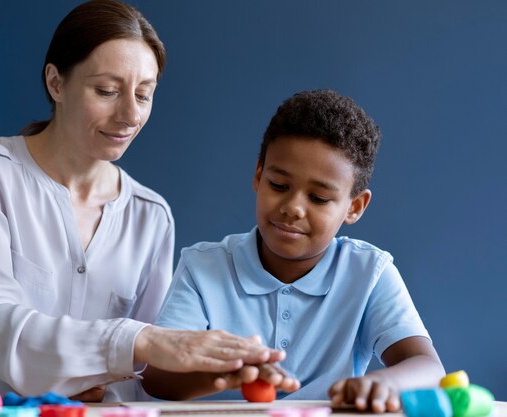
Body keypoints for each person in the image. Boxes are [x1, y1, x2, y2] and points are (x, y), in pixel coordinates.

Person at [0, 0, 284, 402]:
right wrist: (134, 342)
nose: (130, 114)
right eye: (107, 91)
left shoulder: (151, 216)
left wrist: (220, 367)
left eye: (144, 95)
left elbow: (142, 375)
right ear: (56, 83)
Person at [141, 89, 445, 411]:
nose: (293, 208)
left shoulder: (369, 272)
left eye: (318, 198)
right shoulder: (203, 267)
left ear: (354, 207)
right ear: (259, 176)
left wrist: (384, 383)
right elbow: (157, 375)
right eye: (279, 186)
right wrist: (231, 375)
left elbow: (428, 368)